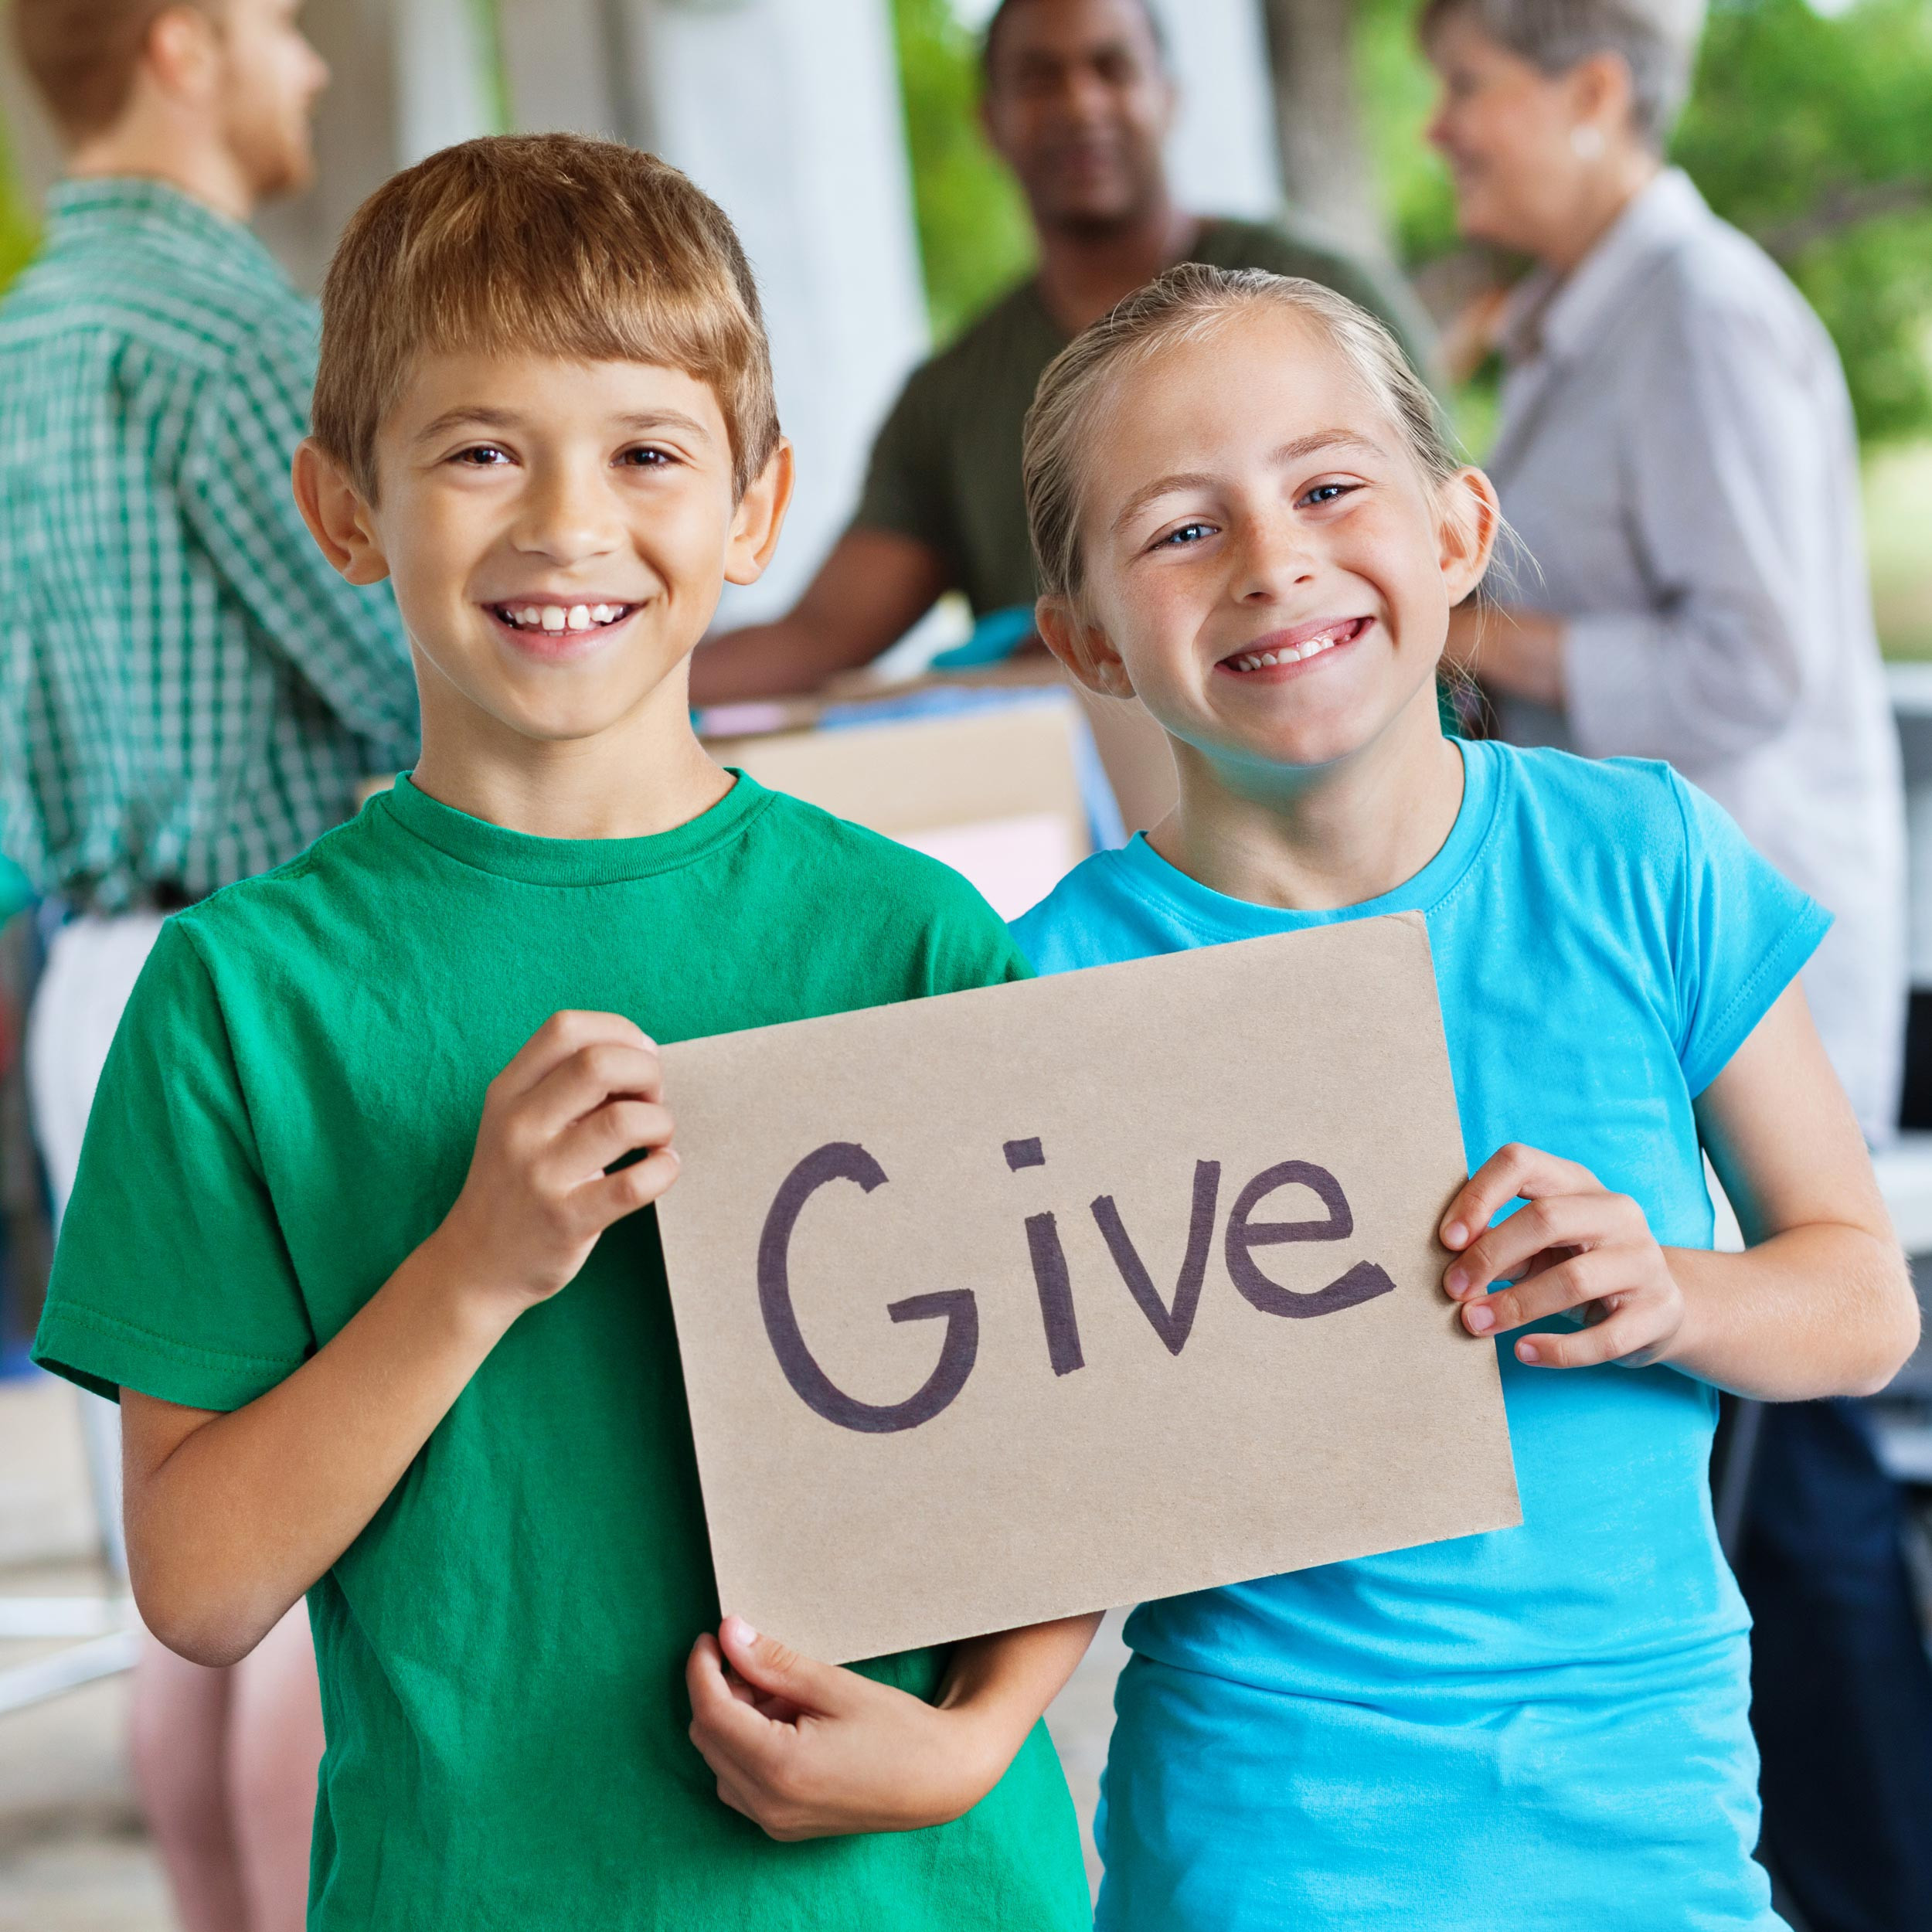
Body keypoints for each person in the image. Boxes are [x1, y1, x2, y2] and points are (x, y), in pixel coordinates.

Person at [31, 133, 1097, 1930]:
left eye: (645, 452)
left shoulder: (909, 936)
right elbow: (200, 1588)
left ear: (755, 509)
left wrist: (976, 1735)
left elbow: (1073, 1455)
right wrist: (474, 1264)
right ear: (344, 506)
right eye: (479, 452)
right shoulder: (238, 997)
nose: (565, 524)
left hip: (920, 1892)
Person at [1008, 262, 1919, 1929]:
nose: (1272, 556)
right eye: (1178, 528)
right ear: (1085, 644)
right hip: (1262, 1838)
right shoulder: (1043, 988)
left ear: (1451, 532)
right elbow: (1003, 1480)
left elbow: (1857, 1299)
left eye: (1325, 486)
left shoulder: (1640, 858)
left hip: (1652, 1820)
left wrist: (1669, 1287)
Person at [1420, 5, 1932, 1924]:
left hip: (1729, 979)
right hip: (1633, 975)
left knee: (1786, 1475)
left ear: (1591, 90)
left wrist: (1458, 611)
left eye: (1467, 85)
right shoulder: (1576, 317)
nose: (1443, 128)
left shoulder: (1700, 315)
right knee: (1746, 1455)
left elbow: (1749, 664)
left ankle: (1880, 1880)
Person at [0, 2, 418, 1927]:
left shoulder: (18, 353)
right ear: (182, 43)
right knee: (317, 1573)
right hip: (276, 972)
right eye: (276, 23)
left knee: (184, 1582)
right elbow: (399, 671)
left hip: (91, 977)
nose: (309, 66)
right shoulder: (242, 338)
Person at [690, 0, 1434, 782]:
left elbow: (1439, 568)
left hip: (1357, 774)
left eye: (1111, 68)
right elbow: (821, 636)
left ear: (1168, 97)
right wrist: (593, 667)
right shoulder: (951, 394)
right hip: (1100, 815)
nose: (1080, 103)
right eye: (1040, 79)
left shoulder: (1322, 298)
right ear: (992, 121)